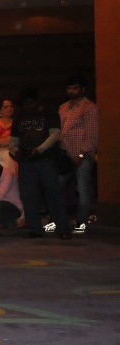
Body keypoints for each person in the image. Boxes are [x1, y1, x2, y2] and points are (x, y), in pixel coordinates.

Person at [11, 87, 71, 240]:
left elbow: (55, 134)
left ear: (36, 101)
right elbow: (14, 141)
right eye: (25, 103)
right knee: (28, 195)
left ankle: (63, 227)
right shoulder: (19, 117)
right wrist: (16, 151)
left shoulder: (48, 113)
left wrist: (40, 149)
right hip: (26, 161)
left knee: (53, 193)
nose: (28, 105)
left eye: (30, 102)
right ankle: (35, 228)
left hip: (46, 159)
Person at [57, 75, 98, 233]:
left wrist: (81, 155)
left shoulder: (89, 107)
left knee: (82, 189)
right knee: (56, 186)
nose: (71, 91)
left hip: (82, 155)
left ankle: (81, 223)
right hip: (64, 155)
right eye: (69, 88)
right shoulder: (63, 107)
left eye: (75, 88)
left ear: (82, 89)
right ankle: (59, 220)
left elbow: (92, 134)